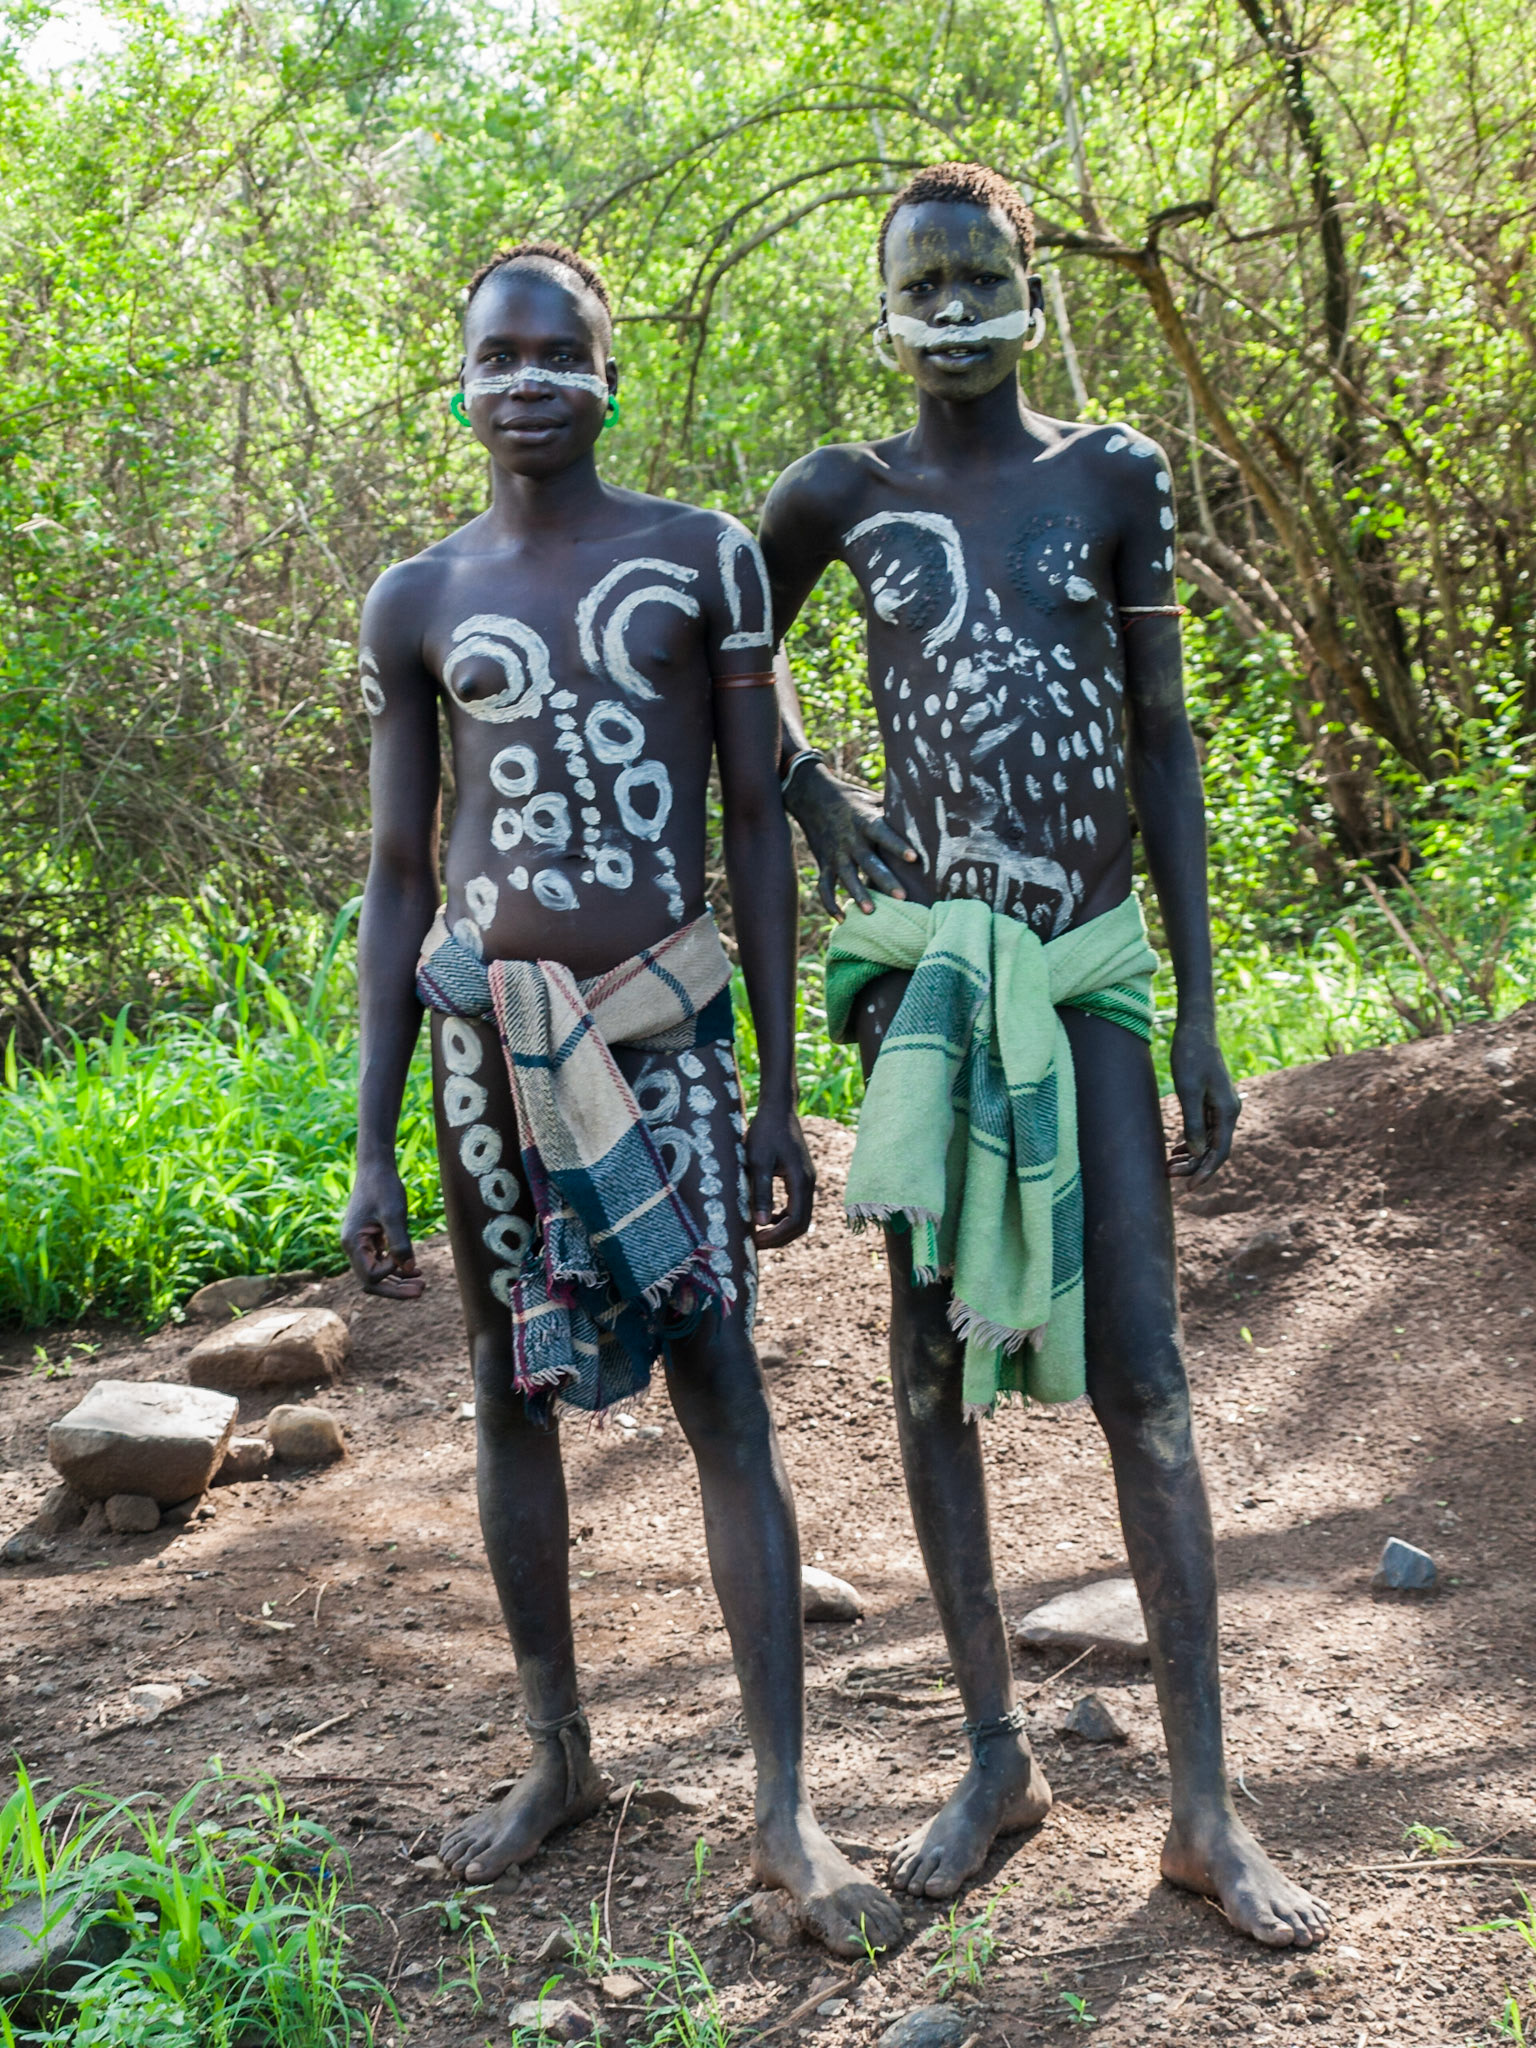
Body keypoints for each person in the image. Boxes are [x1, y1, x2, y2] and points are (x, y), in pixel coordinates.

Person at [757, 164, 1329, 1949]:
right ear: (882, 296)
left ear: (1026, 276)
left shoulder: (1114, 477)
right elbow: (729, 649)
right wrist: (808, 788)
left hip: (1085, 971)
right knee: (928, 1372)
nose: (946, 298)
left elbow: (1164, 742)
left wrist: (1206, 1006)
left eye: (973, 268)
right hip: (930, 975)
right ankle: (996, 1753)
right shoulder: (841, 494)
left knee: (1143, 1381)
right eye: (916, 274)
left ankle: (1202, 1803)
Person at [340, 239, 903, 1958]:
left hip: (665, 1033)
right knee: (510, 1396)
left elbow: (751, 825)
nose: (524, 381)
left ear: (608, 371)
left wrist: (779, 1091)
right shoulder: (418, 598)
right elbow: (392, 871)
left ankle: (787, 1808)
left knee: (724, 1394)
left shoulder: (703, 561)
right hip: (482, 1051)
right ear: (459, 383)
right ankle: (557, 1754)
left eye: (555, 352)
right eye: (494, 356)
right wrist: (368, 1138)